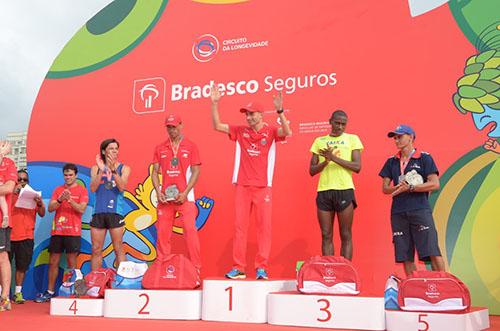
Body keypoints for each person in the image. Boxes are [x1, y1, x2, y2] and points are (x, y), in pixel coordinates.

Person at [210, 85, 292, 280]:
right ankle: (238, 267)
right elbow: (217, 126)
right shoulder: (240, 131)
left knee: (264, 229)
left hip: (263, 186)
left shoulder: (270, 131)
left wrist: (280, 111)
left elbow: (287, 132)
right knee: (240, 228)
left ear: (261, 115)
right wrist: (214, 104)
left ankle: (261, 267)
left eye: (252, 114)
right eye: (246, 114)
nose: (248, 117)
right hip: (242, 186)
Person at [379, 125, 445, 276]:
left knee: (432, 249)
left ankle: (443, 283)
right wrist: (397, 188)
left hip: (419, 209)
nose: (396, 140)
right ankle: (413, 287)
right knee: (405, 254)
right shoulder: (391, 161)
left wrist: (411, 188)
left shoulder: (424, 157)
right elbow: (385, 189)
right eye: (394, 138)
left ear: (411, 137)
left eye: (399, 136)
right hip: (398, 212)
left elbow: (435, 184)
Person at [309, 110, 363, 260]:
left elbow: (357, 166)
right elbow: (312, 171)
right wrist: (325, 162)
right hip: (324, 191)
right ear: (330, 121)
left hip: (344, 190)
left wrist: (332, 157)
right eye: (337, 123)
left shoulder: (353, 139)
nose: (340, 127)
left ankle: (345, 272)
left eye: (343, 124)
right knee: (326, 235)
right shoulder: (319, 141)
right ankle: (329, 271)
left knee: (345, 234)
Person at [151, 114, 202, 271]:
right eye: (169, 127)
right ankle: (162, 266)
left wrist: (186, 192)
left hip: (185, 197)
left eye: (174, 126)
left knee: (190, 231)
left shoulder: (191, 146)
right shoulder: (160, 148)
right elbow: (154, 172)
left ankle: (195, 267)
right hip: (166, 199)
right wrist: (158, 192)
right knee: (163, 234)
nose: (171, 130)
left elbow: (196, 171)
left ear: (181, 125)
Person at [35, 163, 88, 302]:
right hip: (57, 231)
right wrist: (60, 199)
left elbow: (81, 209)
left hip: (73, 232)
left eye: (70, 175)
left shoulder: (82, 191)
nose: (68, 177)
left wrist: (69, 199)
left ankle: (73, 291)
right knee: (53, 261)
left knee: (72, 263)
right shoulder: (58, 190)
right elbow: (51, 208)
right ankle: (50, 291)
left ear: (76, 175)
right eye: (65, 175)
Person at [89, 138, 130, 270]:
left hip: (115, 213)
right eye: (111, 148)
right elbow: (93, 188)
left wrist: (112, 170)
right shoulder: (95, 168)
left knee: (118, 247)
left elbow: (122, 187)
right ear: (103, 151)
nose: (114, 151)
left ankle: (123, 280)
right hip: (99, 212)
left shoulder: (124, 168)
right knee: (96, 249)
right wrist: (102, 170)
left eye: (116, 149)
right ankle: (95, 282)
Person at [9, 169, 46, 304]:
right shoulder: (8, 195)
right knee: (3, 266)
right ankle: (3, 293)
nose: (22, 182)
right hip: (8, 234)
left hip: (26, 236)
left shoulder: (33, 195)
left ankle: (18, 293)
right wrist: (13, 194)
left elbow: (42, 213)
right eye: (19, 179)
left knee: (22, 266)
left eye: (25, 180)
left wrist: (40, 203)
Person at [0, 141, 17, 311]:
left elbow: (8, 188)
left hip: (1, 221)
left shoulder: (9, 164)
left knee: (2, 257)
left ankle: (4, 298)